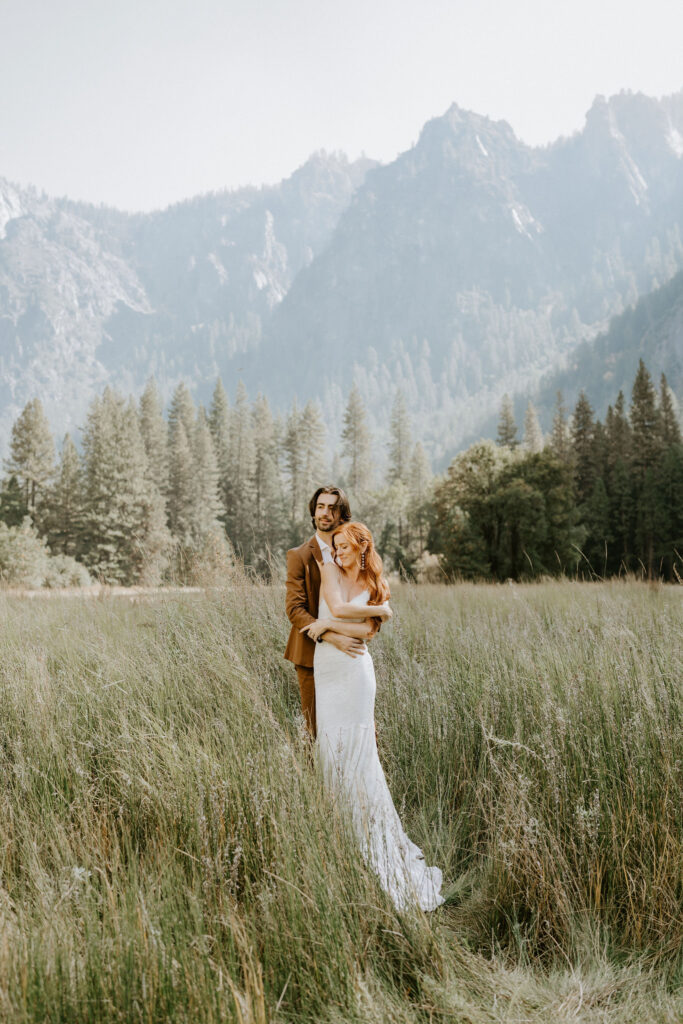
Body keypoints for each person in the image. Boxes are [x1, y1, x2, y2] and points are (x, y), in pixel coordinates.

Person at [300, 520, 444, 912]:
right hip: (329, 668)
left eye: (346, 547)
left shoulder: (371, 577)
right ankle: (337, 837)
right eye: (336, 545)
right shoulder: (329, 569)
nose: (339, 552)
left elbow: (367, 630)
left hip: (357, 672)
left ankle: (371, 839)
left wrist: (332, 622)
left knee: (362, 752)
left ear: (363, 548)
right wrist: (361, 615)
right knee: (332, 746)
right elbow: (347, 609)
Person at [284, 485, 375, 738]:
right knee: (316, 732)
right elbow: (294, 609)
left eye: (332, 508)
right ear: (313, 511)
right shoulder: (299, 556)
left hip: (352, 658)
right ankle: (315, 779)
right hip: (310, 656)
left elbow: (371, 600)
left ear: (342, 514)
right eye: (320, 506)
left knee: (359, 730)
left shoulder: (357, 554)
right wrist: (332, 636)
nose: (325, 513)